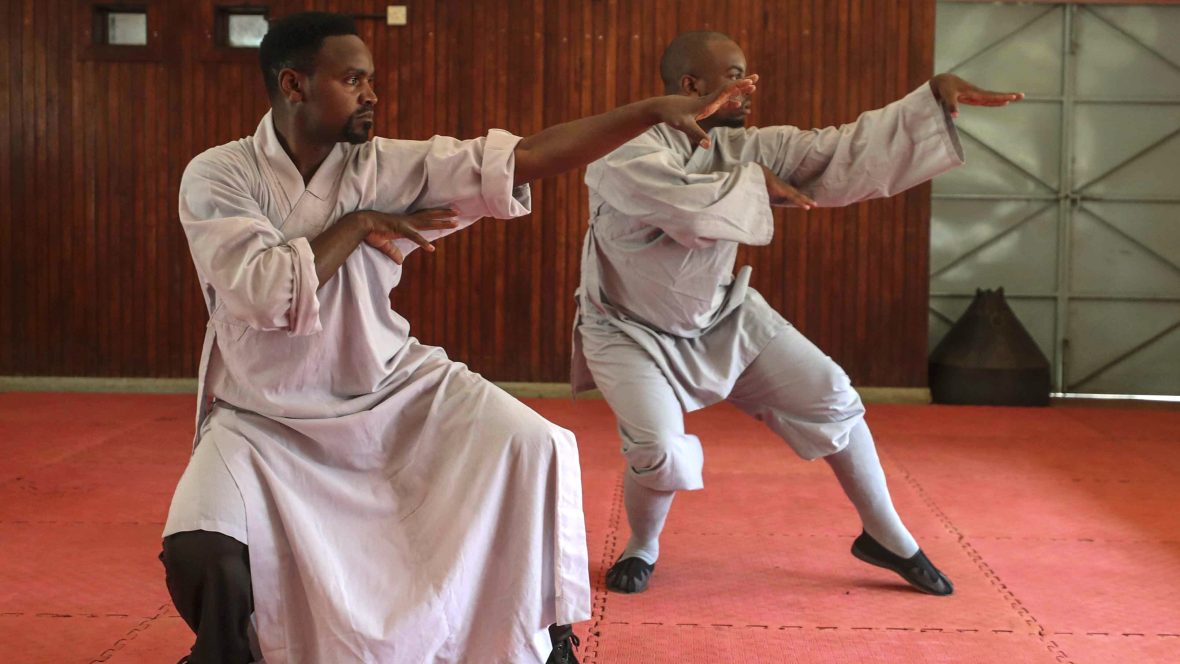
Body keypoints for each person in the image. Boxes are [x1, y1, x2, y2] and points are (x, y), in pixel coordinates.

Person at [160, 14, 755, 664]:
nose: (372, 95)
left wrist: (649, 112)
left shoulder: (384, 162)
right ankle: (230, 653)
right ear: (295, 85)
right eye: (353, 79)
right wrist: (357, 223)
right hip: (260, 415)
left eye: (372, 80)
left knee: (536, 444)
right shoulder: (218, 176)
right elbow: (264, 291)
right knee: (201, 549)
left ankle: (549, 639)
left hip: (389, 388)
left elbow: (526, 155)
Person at [571, 30, 1022, 596]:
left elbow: (837, 150)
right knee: (658, 449)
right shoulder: (626, 152)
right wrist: (756, 183)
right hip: (626, 329)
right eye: (735, 75)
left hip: (720, 317)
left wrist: (927, 100)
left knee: (832, 394)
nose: (749, 85)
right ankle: (643, 545)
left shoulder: (745, 147)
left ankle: (887, 536)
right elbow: (686, 207)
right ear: (691, 85)